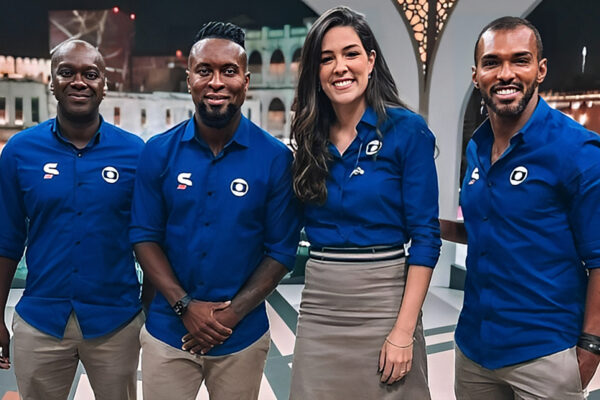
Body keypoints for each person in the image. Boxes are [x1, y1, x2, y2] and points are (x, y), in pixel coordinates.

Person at [130, 22, 301, 400]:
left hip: (240, 337)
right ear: (189, 78)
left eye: (229, 71)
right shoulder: (158, 152)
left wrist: (231, 314)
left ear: (246, 80)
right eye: (205, 70)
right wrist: (184, 306)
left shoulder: (274, 159)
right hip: (167, 335)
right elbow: (144, 236)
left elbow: (281, 251)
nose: (217, 82)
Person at [441, 16, 600, 399]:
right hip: (475, 349)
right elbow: (488, 227)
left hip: (545, 354)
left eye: (520, 60)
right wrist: (428, 225)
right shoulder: (477, 147)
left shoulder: (577, 150)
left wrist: (590, 350)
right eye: (493, 62)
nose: (506, 73)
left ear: (540, 70)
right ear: (476, 75)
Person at [288, 6, 441, 399]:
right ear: (316, 73)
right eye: (326, 58)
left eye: (351, 53)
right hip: (320, 304)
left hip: (385, 303)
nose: (340, 67)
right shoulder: (308, 138)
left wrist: (404, 331)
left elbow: (426, 238)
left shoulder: (407, 131)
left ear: (371, 61)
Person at [0, 40, 145, 400]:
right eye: (67, 72)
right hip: (41, 320)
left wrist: (151, 312)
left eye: (90, 74)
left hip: (117, 322)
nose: (78, 81)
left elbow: (150, 240)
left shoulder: (136, 154)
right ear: (52, 82)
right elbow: (6, 240)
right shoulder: (20, 151)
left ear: (104, 85)